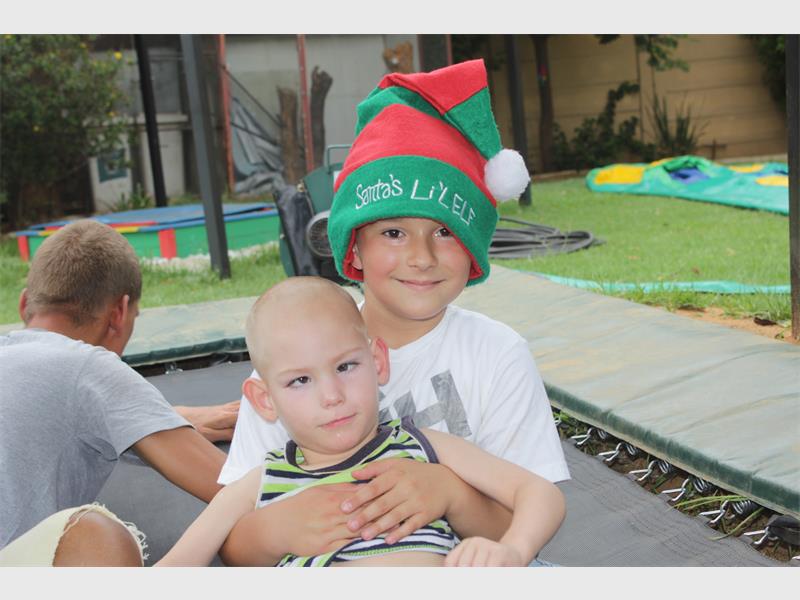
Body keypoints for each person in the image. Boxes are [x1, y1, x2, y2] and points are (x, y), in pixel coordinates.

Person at [217, 58, 570, 567]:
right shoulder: (289, 363)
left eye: (445, 231)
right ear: (354, 249)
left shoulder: (497, 355)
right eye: (394, 232)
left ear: (472, 247)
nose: (421, 256)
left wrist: (449, 494)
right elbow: (232, 546)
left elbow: (520, 529)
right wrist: (276, 528)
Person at [157, 277, 565, 567]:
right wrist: (274, 533)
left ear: (378, 361)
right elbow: (176, 566)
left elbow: (540, 493)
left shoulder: (422, 447)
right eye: (301, 381)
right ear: (265, 400)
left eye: (346, 366)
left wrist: (513, 550)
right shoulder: (262, 483)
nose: (331, 395)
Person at [0, 219, 231, 566]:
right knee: (95, 534)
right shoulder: (88, 366)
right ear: (119, 313)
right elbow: (228, 484)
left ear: (24, 304)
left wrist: (166, 419)